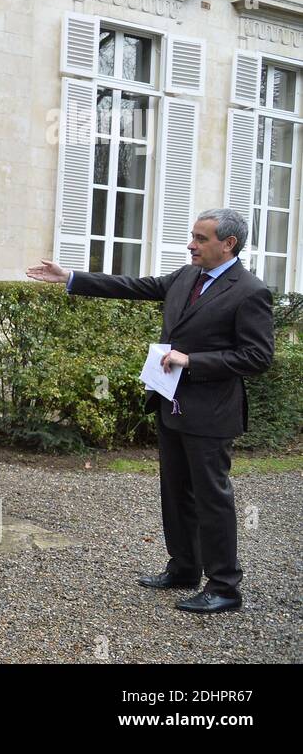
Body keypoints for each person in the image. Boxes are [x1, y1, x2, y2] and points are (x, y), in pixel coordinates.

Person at [27, 208, 274, 614]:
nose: (190, 244)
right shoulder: (186, 276)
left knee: (212, 498)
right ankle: (184, 568)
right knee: (175, 493)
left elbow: (257, 356)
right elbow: (134, 285)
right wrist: (70, 277)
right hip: (170, 403)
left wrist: (192, 360)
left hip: (211, 413)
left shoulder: (249, 291)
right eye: (191, 236)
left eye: (200, 238)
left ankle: (225, 586)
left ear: (228, 244)